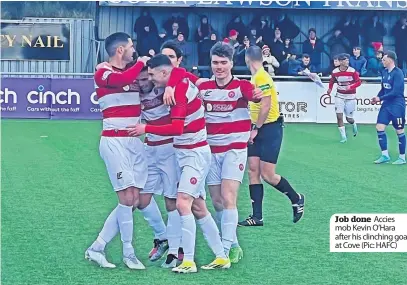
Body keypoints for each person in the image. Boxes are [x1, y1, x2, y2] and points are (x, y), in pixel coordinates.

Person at [128, 54, 230, 273]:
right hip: (184, 153)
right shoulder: (176, 83)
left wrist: (146, 129)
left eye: (153, 75)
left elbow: (177, 129)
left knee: (182, 203)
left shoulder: (180, 90)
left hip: (194, 154)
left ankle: (188, 261)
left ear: (164, 73)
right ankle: (221, 256)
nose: (151, 80)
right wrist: (170, 85)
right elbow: (179, 72)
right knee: (198, 207)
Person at [86, 32, 150, 269]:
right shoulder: (103, 72)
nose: (135, 51)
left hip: (134, 142)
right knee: (126, 198)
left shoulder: (133, 73)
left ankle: (97, 247)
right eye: (131, 47)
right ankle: (128, 253)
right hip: (114, 141)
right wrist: (142, 63)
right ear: (120, 50)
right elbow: (120, 80)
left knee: (133, 200)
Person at [196, 42, 261, 263]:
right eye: (215, 62)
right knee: (216, 201)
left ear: (232, 64)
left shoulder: (241, 86)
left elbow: (255, 96)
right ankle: (233, 244)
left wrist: (257, 95)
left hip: (235, 149)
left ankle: (223, 250)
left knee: (228, 196)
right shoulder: (203, 87)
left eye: (224, 63)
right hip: (210, 150)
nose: (219, 67)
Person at [238, 46, 305, 227]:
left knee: (267, 174)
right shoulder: (256, 76)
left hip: (269, 129)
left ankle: (296, 198)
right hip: (257, 128)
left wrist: (256, 128)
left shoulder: (261, 76)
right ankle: (257, 216)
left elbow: (266, 106)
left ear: (247, 59)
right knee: (253, 170)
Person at [136, 67, 182, 268]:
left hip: (169, 149)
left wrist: (171, 85)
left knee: (171, 201)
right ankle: (162, 237)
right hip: (150, 149)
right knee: (141, 199)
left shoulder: (164, 89)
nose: (143, 82)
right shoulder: (135, 91)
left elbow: (181, 73)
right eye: (139, 79)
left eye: (146, 78)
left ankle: (177, 249)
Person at [371, 51, 406, 165]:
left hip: (397, 104)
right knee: (379, 127)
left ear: (390, 60)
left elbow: (396, 92)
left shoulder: (398, 73)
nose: (382, 61)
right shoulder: (384, 72)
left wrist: (380, 98)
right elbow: (383, 88)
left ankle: (402, 157)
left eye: (384, 59)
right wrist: (377, 96)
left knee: (399, 130)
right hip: (386, 104)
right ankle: (385, 155)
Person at [327, 53, 361, 143]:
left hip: (351, 97)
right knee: (339, 116)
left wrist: (351, 87)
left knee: (349, 119)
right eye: (345, 60)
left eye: (348, 60)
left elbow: (359, 82)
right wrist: (330, 89)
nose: (347, 62)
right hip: (339, 96)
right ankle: (343, 137)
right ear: (341, 62)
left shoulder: (352, 71)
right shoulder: (335, 72)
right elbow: (332, 81)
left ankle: (353, 124)